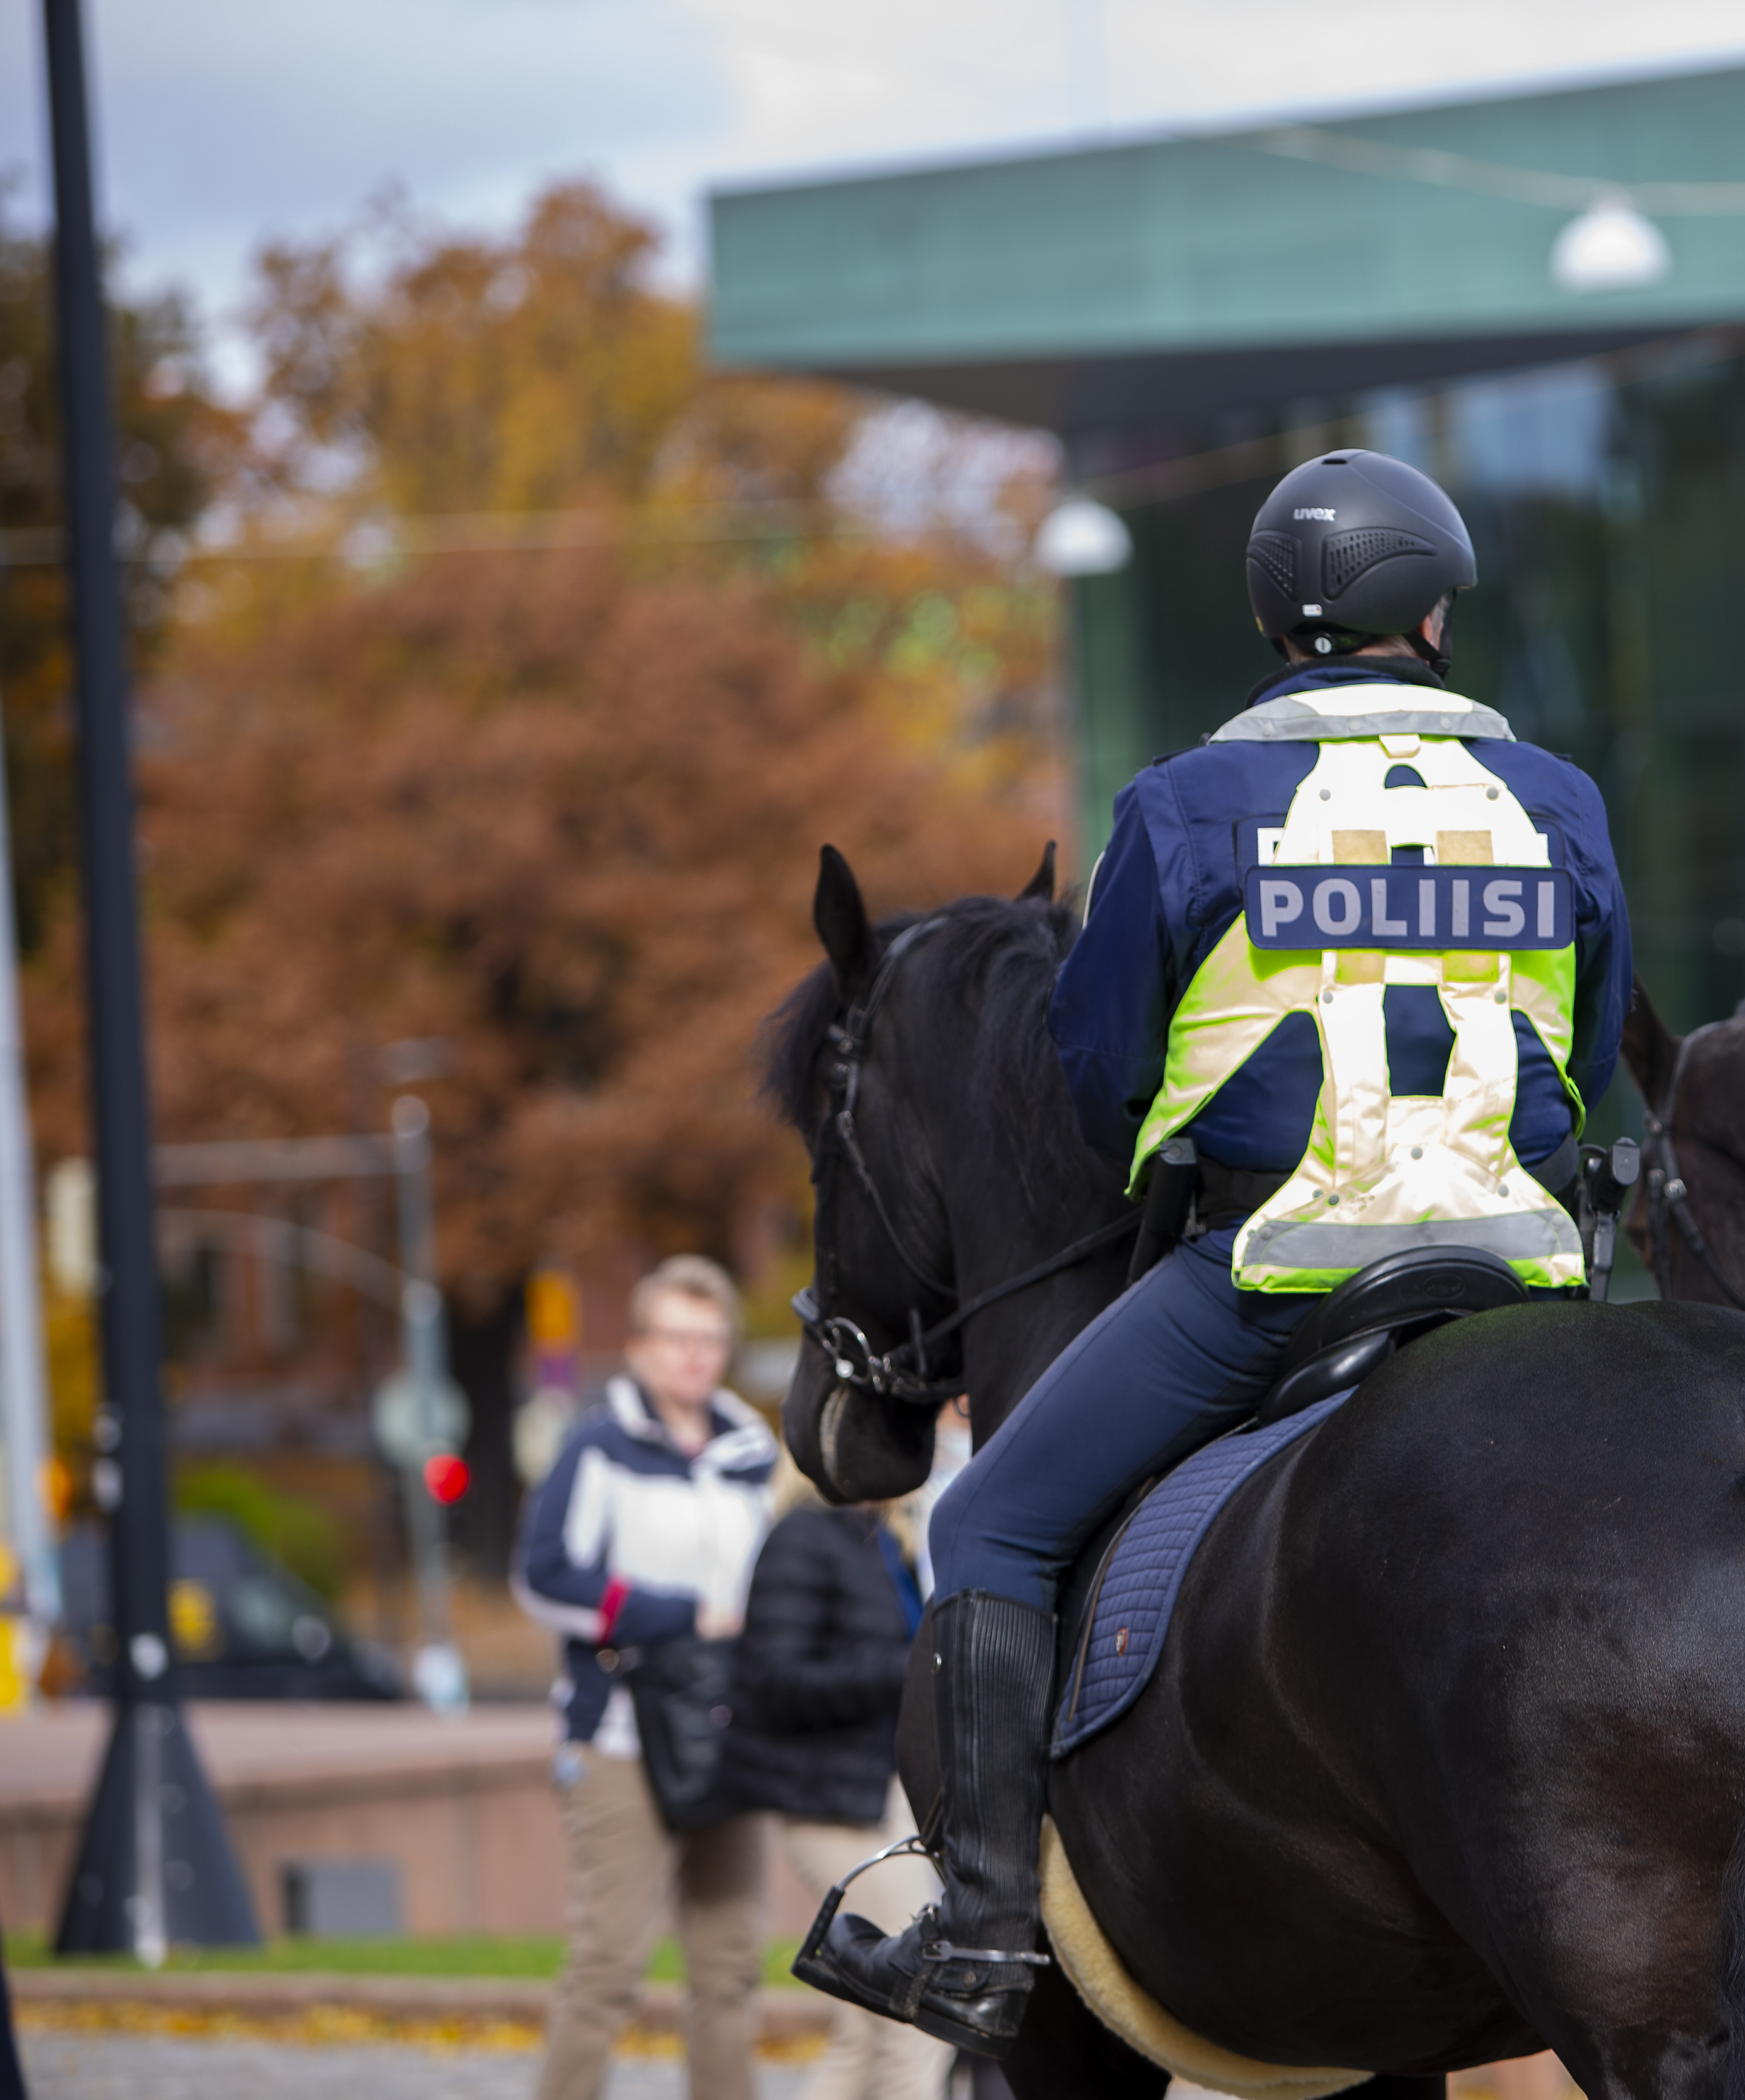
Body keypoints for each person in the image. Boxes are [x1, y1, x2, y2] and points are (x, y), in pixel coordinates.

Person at [804, 448, 1634, 2053]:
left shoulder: (1183, 804)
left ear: (1275, 619)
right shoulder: (1559, 799)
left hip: (1278, 1271)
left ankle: (980, 1942)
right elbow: (1587, 1049)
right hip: (1521, 1273)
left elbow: (1102, 1064)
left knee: (986, 1524)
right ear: (1437, 608)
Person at [514, 1255, 776, 2100]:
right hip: (621, 1734)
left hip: (729, 1729)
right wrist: (676, 1612)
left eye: (709, 1338)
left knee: (731, 1966)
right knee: (608, 1967)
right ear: (636, 1346)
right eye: (675, 1337)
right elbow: (544, 1577)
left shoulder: (752, 1452)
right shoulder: (599, 1445)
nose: (694, 1356)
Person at [729, 1467, 953, 2100]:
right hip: (830, 1802)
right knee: (924, 1998)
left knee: (865, 2025)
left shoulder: (888, 1534)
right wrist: (908, 1667)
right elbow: (773, 1678)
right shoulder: (802, 1536)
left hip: (888, 1793)